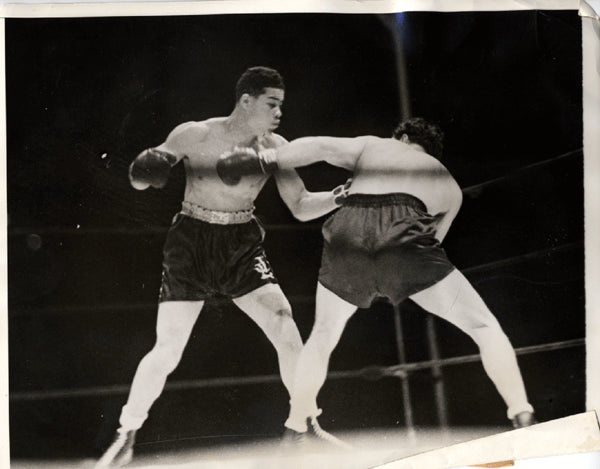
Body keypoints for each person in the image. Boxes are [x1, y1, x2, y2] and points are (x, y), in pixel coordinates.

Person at [217, 117, 536, 443]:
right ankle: (521, 414)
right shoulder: (450, 186)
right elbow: (433, 244)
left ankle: (296, 426)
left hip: (349, 226)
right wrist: (392, 275)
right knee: (484, 327)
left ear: (404, 137)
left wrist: (264, 160)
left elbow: (319, 146)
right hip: (406, 236)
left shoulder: (377, 145)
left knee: (323, 334)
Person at [95, 66, 349, 467]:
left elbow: (300, 206)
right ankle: (126, 435)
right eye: (272, 104)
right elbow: (141, 180)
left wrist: (340, 195)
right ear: (246, 101)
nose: (280, 113)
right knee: (168, 348)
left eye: (282, 105)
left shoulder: (277, 147)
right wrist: (144, 171)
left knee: (285, 324)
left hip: (241, 245)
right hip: (191, 244)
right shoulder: (195, 135)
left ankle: (304, 425)